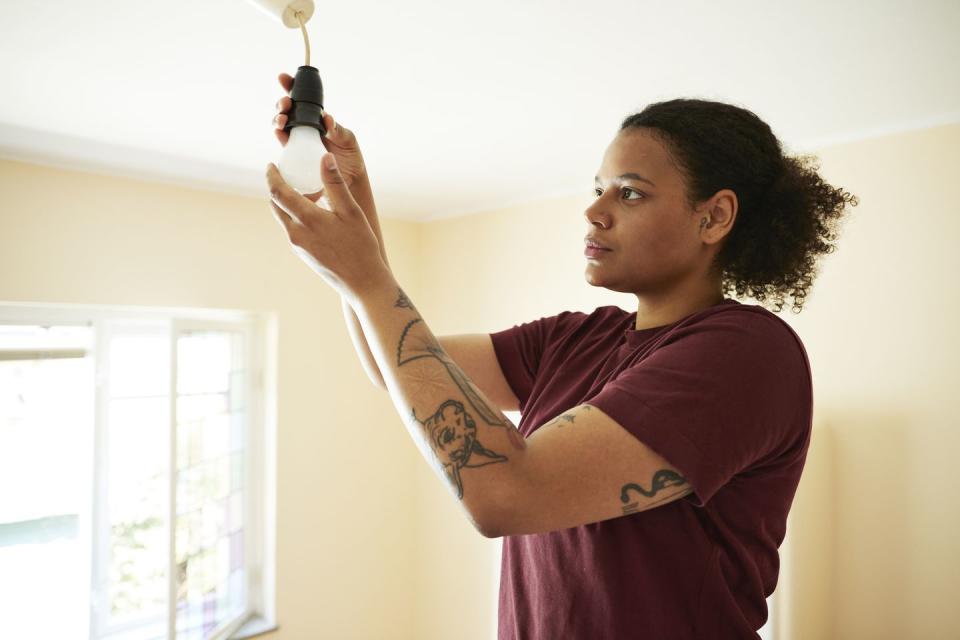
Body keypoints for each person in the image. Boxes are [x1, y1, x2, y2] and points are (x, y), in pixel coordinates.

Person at [268, 72, 857, 639]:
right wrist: (351, 203)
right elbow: (390, 362)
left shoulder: (745, 353)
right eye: (597, 188)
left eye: (630, 192)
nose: (595, 211)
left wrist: (367, 279)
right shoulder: (577, 338)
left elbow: (504, 494)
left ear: (715, 216)